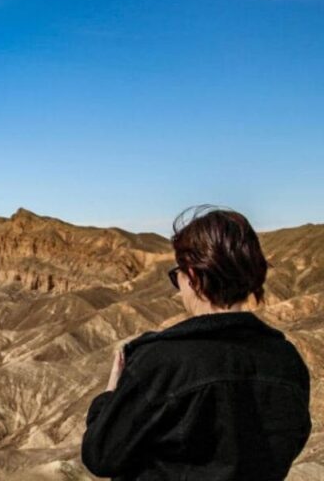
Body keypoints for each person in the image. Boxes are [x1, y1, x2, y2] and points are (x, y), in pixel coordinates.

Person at [81, 205, 312, 480]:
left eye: (176, 275)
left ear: (192, 276)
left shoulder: (161, 364)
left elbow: (101, 456)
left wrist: (109, 396)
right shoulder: (287, 361)